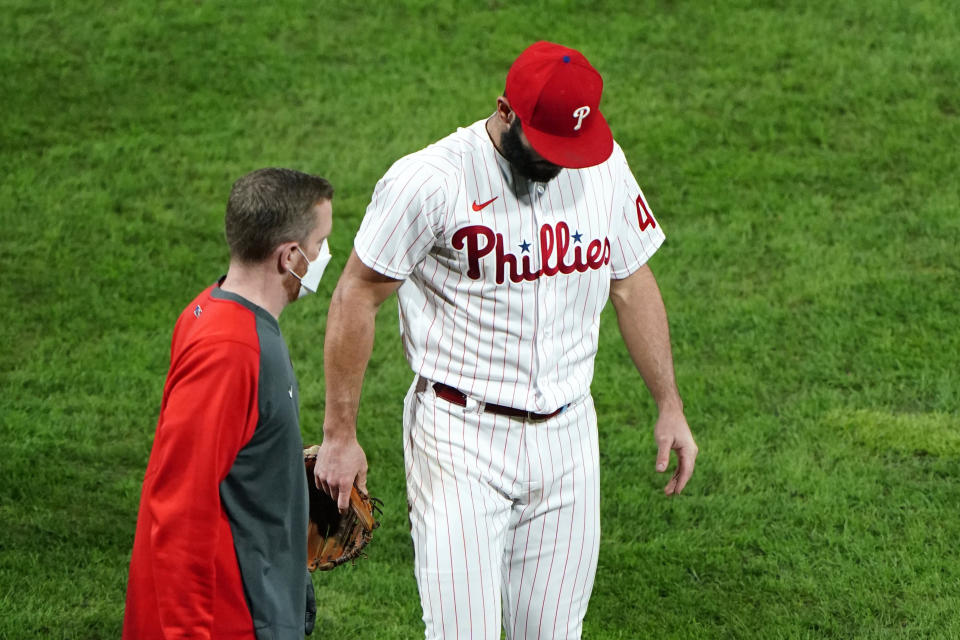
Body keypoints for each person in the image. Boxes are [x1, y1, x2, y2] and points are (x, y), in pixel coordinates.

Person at [315, 41, 698, 639]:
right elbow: (356, 294)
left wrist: (669, 403)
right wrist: (340, 435)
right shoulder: (431, 181)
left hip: (570, 438)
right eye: (548, 148)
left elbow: (631, 280)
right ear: (505, 110)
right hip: (460, 440)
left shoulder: (604, 165)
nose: (562, 163)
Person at [123, 168, 335, 639]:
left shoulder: (211, 310)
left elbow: (228, 451)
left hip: (256, 595)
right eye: (321, 245)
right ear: (290, 257)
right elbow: (181, 507)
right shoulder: (231, 352)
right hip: (231, 616)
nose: (326, 257)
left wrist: (278, 471)